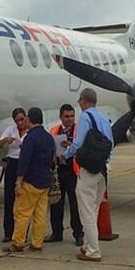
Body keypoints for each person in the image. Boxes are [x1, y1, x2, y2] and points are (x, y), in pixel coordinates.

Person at [61, 88, 114, 262]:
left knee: (87, 212)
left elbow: (78, 143)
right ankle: (86, 245)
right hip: (102, 169)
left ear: (84, 100)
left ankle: (93, 250)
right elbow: (111, 143)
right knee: (94, 208)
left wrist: (66, 154)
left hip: (89, 170)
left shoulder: (85, 117)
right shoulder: (103, 118)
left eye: (79, 101)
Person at [2, 107, 55, 253]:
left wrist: (18, 181)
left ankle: (18, 243)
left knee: (22, 213)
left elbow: (24, 161)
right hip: (45, 180)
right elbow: (52, 159)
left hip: (31, 181)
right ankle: (37, 243)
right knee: (40, 215)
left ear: (28, 119)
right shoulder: (49, 137)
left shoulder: (30, 138)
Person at [46, 104, 84, 246]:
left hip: (73, 171)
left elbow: (84, 148)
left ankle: (78, 234)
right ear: (60, 117)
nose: (69, 119)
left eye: (72, 116)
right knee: (56, 202)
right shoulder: (54, 130)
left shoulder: (79, 130)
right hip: (58, 170)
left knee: (75, 204)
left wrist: (70, 145)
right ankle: (57, 232)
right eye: (66, 116)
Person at [0, 108, 28, 242]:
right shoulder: (10, 129)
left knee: (24, 200)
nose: (20, 123)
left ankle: (22, 232)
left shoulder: (31, 131)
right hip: (13, 162)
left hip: (25, 162)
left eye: (22, 119)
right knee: (9, 198)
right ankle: (8, 232)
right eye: (17, 120)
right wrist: (5, 140)